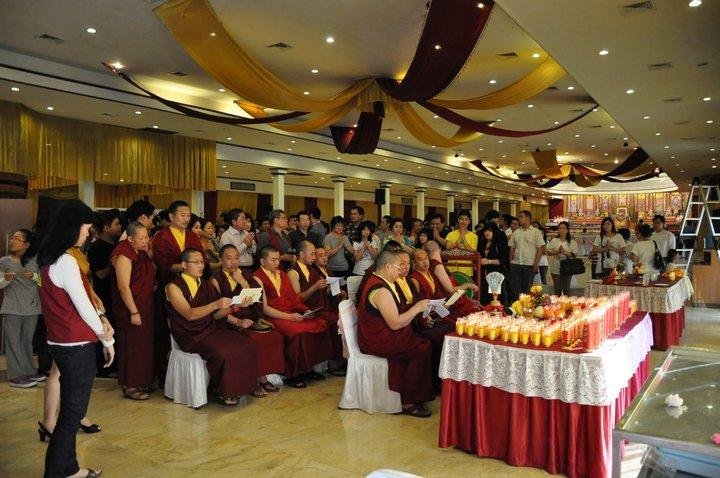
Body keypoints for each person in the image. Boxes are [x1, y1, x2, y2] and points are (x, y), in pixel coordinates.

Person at [37, 200, 115, 478]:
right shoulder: (67, 261)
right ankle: (57, 471)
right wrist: (107, 341)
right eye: (85, 227)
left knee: (70, 412)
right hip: (75, 343)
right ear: (72, 227)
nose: (87, 233)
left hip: (60, 341)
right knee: (72, 414)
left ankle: (68, 468)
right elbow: (84, 307)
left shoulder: (49, 259)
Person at [166, 248, 258, 405]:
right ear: (184, 265)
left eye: (202, 262)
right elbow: (189, 314)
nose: (201, 265)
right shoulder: (173, 287)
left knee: (246, 343)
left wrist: (236, 306)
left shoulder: (206, 285)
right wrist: (215, 304)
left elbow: (216, 315)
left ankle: (242, 387)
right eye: (196, 262)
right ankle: (225, 392)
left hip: (209, 329)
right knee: (224, 352)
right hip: (190, 335)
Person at [357, 250, 434, 418]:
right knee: (420, 349)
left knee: (424, 342)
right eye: (398, 267)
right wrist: (417, 308)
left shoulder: (385, 282)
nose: (400, 271)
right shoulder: (380, 290)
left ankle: (418, 392)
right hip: (378, 339)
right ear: (387, 266)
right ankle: (408, 401)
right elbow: (394, 323)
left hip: (387, 333)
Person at [253, 246, 333, 388]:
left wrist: (305, 310)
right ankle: (292, 374)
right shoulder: (257, 277)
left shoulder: (282, 275)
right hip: (274, 315)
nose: (277, 263)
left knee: (320, 324)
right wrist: (290, 317)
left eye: (278, 259)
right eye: (273, 260)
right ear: (262, 261)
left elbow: (294, 299)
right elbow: (264, 308)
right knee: (297, 332)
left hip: (290, 312)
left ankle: (308, 368)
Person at [210, 244, 284, 397]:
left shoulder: (246, 274)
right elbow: (217, 312)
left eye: (236, 258)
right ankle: (253, 380)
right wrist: (238, 322)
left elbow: (256, 300)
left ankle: (263, 376)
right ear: (221, 260)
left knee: (274, 336)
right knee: (255, 340)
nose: (233, 262)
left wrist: (243, 282)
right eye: (229, 258)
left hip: (251, 319)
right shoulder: (215, 280)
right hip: (229, 323)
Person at [110, 221, 156, 400]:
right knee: (132, 346)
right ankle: (130, 386)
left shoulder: (139, 251)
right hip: (131, 307)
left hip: (144, 304)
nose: (145, 241)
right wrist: (133, 311)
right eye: (141, 238)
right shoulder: (124, 254)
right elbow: (123, 286)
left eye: (147, 237)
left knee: (143, 345)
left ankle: (142, 380)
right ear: (130, 239)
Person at [288, 241, 345, 375]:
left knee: (342, 319)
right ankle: (333, 363)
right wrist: (315, 287)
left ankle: (342, 360)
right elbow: (297, 299)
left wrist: (328, 289)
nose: (314, 257)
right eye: (312, 254)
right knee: (334, 322)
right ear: (302, 254)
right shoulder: (293, 272)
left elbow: (321, 292)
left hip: (320, 306)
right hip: (308, 309)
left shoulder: (311, 269)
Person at [1, 229, 44, 387]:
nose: (12, 241)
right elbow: (0, 284)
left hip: (32, 306)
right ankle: (15, 375)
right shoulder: (4, 261)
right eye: (12, 238)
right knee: (13, 341)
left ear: (26, 244)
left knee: (26, 340)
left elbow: (45, 282)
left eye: (17, 239)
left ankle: (29, 370)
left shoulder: (35, 261)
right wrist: (5, 279)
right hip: (12, 307)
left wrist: (34, 276)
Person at [409, 248, 455, 392]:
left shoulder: (430, 274)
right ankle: (437, 380)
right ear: (414, 263)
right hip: (424, 321)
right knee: (441, 336)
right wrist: (425, 317)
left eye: (426, 258)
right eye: (420, 260)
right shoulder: (414, 279)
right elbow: (415, 304)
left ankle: (449, 375)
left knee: (454, 327)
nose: (425, 262)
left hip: (437, 315)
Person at [87, 209, 121, 375]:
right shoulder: (96, 247)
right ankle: (104, 367)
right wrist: (113, 265)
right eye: (116, 224)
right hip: (103, 294)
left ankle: (114, 364)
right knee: (105, 328)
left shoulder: (117, 244)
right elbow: (100, 274)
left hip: (114, 294)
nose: (120, 227)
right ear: (106, 228)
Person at [422, 241, 481, 314]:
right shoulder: (437, 266)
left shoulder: (430, 265)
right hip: (450, 304)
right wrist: (468, 285)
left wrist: (469, 300)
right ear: (439, 250)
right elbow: (452, 291)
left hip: (449, 300)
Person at [507, 210, 546, 303]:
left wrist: (536, 263)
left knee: (527, 290)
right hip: (516, 264)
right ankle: (516, 308)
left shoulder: (536, 232)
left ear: (528, 218)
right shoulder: (516, 232)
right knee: (514, 290)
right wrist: (511, 261)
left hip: (529, 265)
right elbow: (512, 247)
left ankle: (526, 308)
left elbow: (540, 249)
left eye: (521, 217)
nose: (519, 219)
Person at [476, 222, 510, 304]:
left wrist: (489, 261)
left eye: (490, 231)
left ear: (494, 231)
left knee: (496, 298)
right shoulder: (482, 243)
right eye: (485, 231)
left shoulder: (500, 244)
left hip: (496, 274)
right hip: (483, 274)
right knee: (484, 296)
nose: (487, 233)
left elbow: (502, 260)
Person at [546, 221, 579, 296]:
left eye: (564, 228)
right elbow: (547, 252)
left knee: (566, 290)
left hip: (567, 268)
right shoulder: (554, 241)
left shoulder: (572, 241)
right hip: (556, 267)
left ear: (567, 230)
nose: (561, 230)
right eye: (560, 228)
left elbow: (575, 255)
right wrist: (557, 251)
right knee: (557, 290)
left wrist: (565, 252)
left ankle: (566, 303)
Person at [219, 208, 256, 274]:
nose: (245, 222)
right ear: (234, 222)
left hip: (250, 268)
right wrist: (245, 244)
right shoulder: (226, 236)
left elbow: (254, 251)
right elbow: (229, 256)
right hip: (236, 269)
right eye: (242, 219)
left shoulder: (245, 233)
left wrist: (250, 246)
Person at [444, 209, 478, 278]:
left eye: (466, 220)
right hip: (451, 268)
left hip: (467, 269)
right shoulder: (451, 234)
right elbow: (448, 248)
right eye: (461, 219)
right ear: (458, 220)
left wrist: (462, 236)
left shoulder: (474, 236)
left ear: (469, 221)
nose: (463, 221)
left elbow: (472, 250)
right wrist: (459, 241)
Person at [532, 221, 549, 286]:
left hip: (543, 264)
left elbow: (545, 252)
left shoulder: (546, 242)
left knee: (543, 280)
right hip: (533, 262)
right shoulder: (533, 241)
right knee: (533, 281)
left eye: (542, 233)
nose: (541, 235)